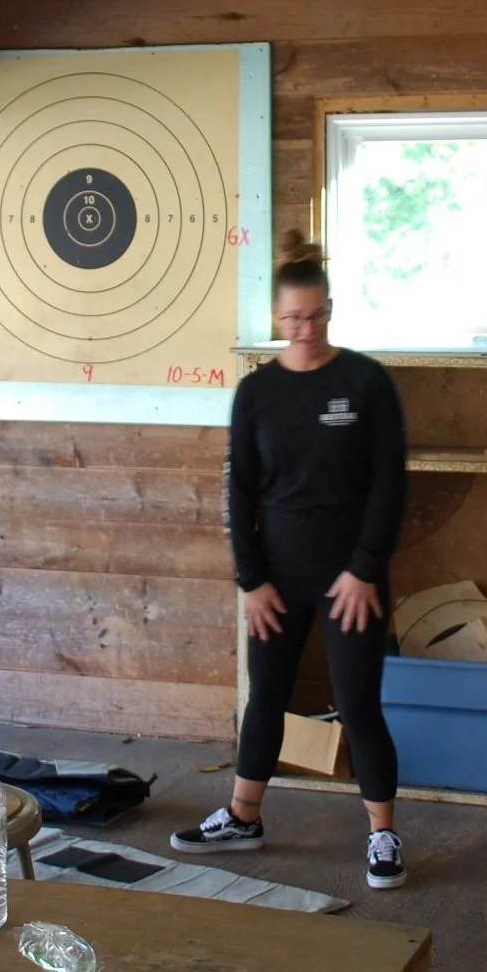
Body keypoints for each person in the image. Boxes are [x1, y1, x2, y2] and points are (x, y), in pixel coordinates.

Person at [172, 236, 411, 889]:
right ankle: (244, 816)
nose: (306, 329)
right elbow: (239, 491)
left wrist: (365, 567)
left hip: (351, 581)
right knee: (265, 698)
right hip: (276, 576)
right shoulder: (256, 392)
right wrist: (251, 580)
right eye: (293, 318)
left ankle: (382, 834)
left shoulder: (364, 381)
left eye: (316, 316)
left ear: (330, 310)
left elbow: (390, 483)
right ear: (276, 319)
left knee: (359, 703)